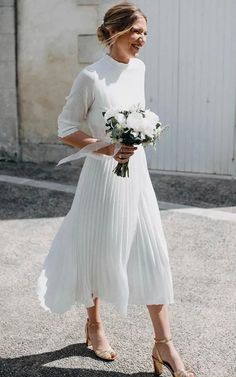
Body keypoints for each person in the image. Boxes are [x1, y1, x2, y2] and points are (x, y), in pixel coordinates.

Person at [37, 2, 196, 376]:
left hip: (136, 174)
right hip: (101, 177)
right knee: (96, 251)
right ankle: (94, 326)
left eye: (145, 33)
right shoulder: (90, 78)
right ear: (115, 32)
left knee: (152, 252)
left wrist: (139, 135)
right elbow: (65, 128)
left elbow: (137, 115)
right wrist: (108, 147)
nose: (142, 40)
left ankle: (164, 345)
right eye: (136, 32)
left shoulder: (138, 69)